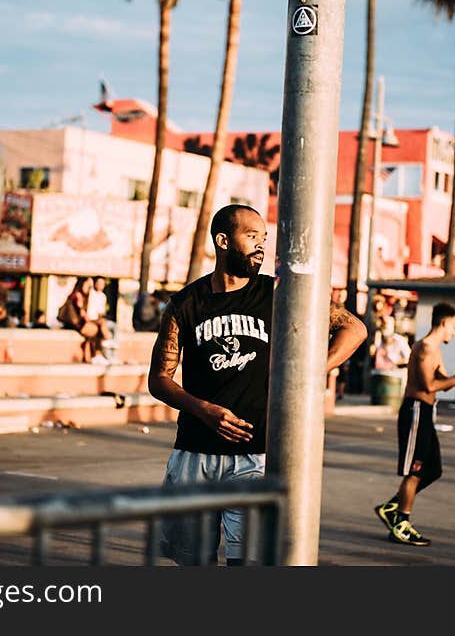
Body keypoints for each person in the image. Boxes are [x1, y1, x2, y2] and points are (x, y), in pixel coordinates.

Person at [148, 204, 367, 566]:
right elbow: (159, 380)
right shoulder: (185, 303)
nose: (260, 246)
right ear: (223, 241)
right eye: (252, 236)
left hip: (256, 455)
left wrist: (311, 374)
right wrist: (204, 409)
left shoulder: (278, 294)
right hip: (194, 454)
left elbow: (354, 328)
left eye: (263, 238)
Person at [373, 302, 455, 546]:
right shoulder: (424, 348)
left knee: (433, 470)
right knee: (415, 471)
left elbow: (443, 379)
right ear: (443, 323)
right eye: (453, 327)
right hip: (415, 411)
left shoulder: (435, 349)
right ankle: (401, 522)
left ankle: (391, 508)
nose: (454, 333)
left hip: (427, 412)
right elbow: (429, 386)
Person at [58, 277, 105, 364]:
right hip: (76, 323)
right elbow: (83, 314)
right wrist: (94, 321)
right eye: (88, 286)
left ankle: (90, 356)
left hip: (77, 323)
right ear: (82, 284)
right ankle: (96, 354)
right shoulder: (78, 296)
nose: (90, 288)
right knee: (95, 330)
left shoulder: (83, 296)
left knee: (93, 331)